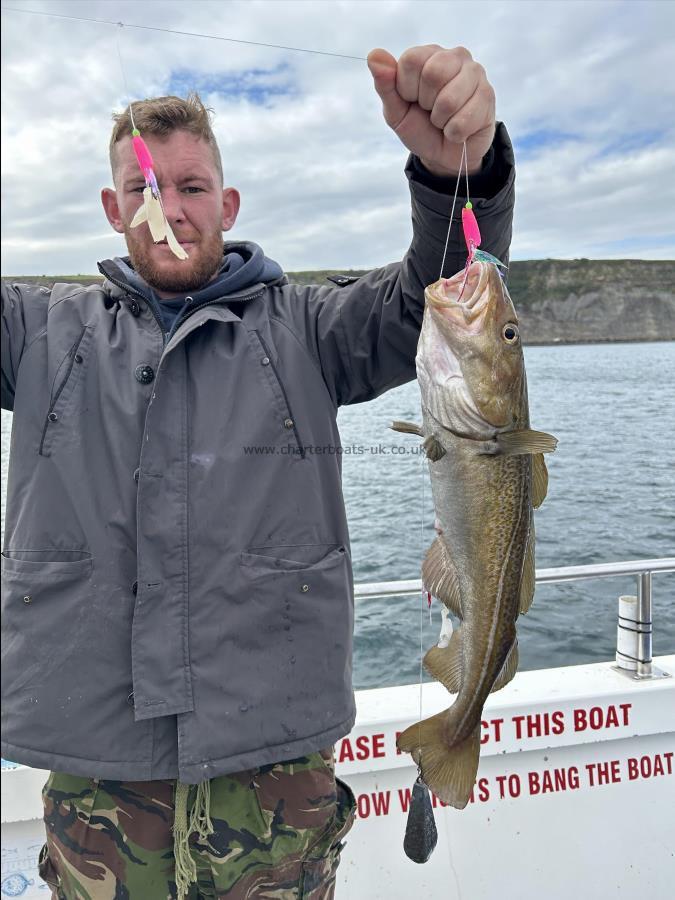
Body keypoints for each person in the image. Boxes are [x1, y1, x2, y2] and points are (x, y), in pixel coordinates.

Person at [1, 45, 514, 899]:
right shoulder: (39, 330)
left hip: (275, 766)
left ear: (227, 202)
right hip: (98, 768)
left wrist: (459, 172)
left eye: (191, 187)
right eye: (144, 189)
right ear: (110, 207)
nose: (169, 207)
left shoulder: (310, 329)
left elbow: (437, 295)